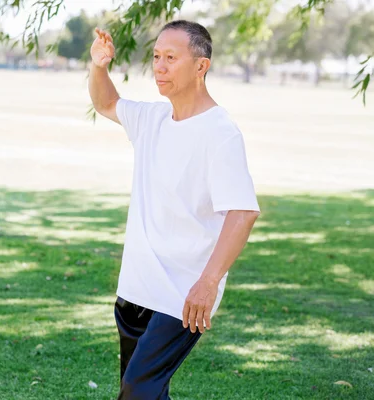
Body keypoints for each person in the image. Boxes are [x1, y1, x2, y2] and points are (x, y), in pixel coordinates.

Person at [88, 21, 261, 399]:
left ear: (201, 66)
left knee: (138, 389)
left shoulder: (220, 133)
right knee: (146, 390)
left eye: (171, 58)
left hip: (183, 295)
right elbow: (105, 103)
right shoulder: (152, 118)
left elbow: (243, 213)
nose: (159, 67)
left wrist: (208, 282)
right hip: (136, 285)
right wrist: (99, 67)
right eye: (156, 57)